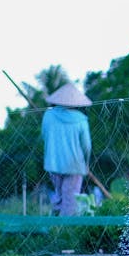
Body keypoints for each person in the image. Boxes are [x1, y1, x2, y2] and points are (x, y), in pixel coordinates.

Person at [41, 82, 92, 217]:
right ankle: (65, 226)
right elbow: (86, 145)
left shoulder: (48, 115)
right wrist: (86, 163)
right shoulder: (81, 120)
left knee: (59, 196)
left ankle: (54, 222)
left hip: (53, 163)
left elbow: (44, 136)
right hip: (74, 165)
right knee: (70, 200)